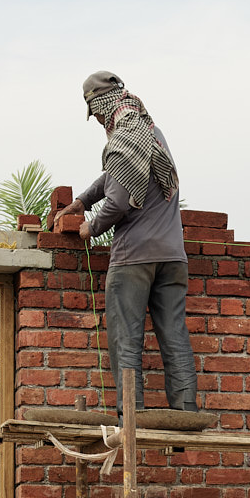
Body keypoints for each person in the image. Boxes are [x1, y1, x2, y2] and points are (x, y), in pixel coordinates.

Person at [53, 71, 200, 410]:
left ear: (102, 106)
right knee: (174, 335)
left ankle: (130, 419)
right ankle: (185, 413)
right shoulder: (150, 133)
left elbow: (118, 201)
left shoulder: (121, 141)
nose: (99, 122)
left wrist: (91, 226)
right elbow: (115, 176)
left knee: (127, 341)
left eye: (97, 114)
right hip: (173, 257)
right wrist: (82, 201)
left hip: (135, 258)